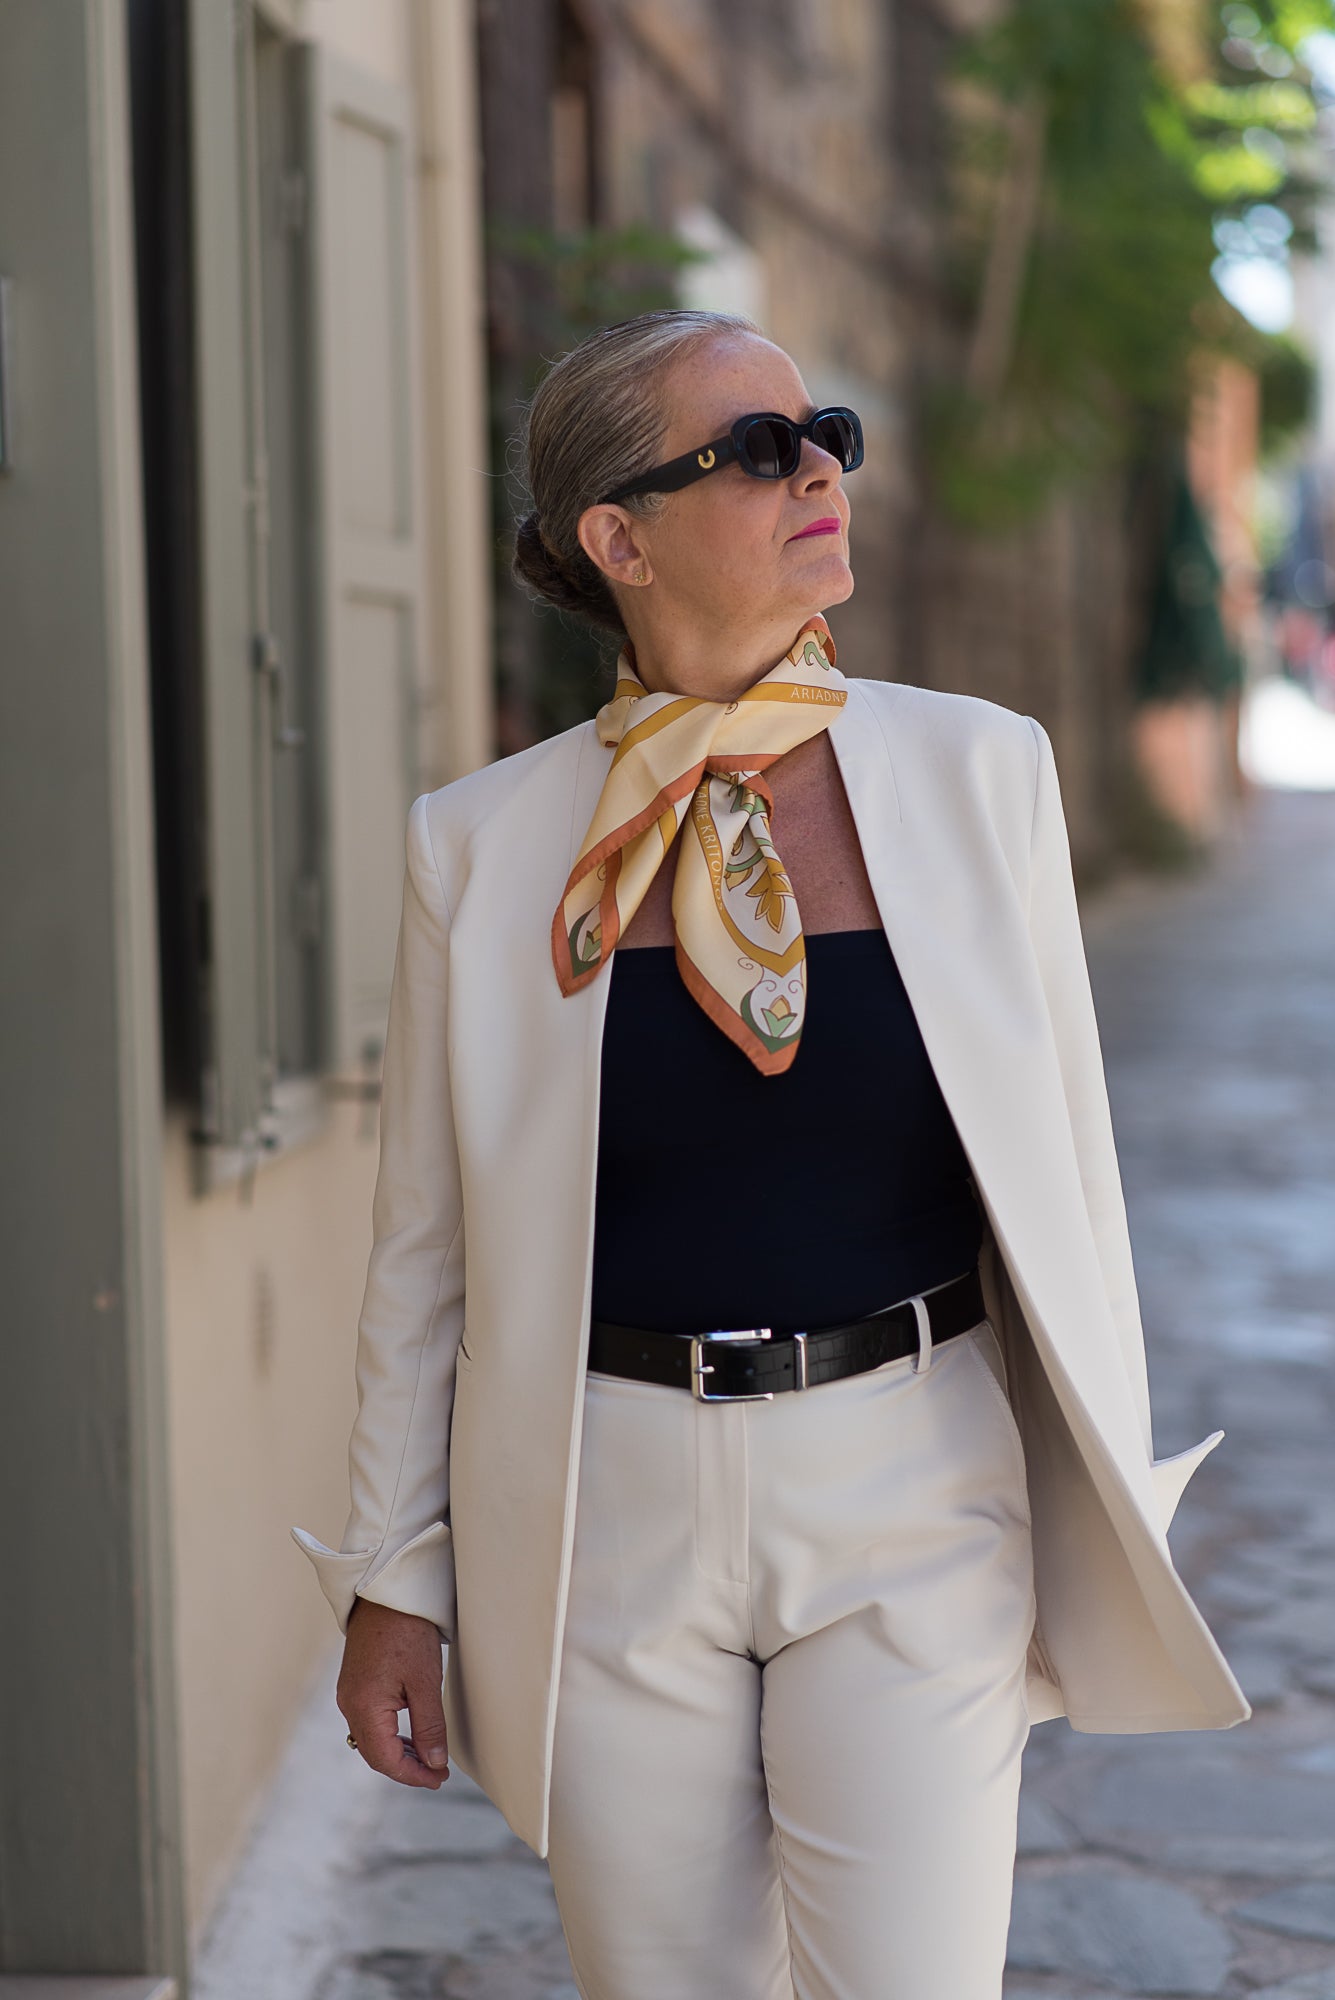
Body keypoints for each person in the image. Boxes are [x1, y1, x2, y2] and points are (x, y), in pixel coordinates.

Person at [293, 308, 1248, 2000]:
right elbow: (424, 1254)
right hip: (603, 1506)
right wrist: (394, 1581)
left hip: (911, 1485)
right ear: (620, 538)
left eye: (824, 435)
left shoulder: (979, 773)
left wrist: (1099, 1480)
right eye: (754, 449)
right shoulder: (486, 847)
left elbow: (1072, 1175)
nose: (819, 469)